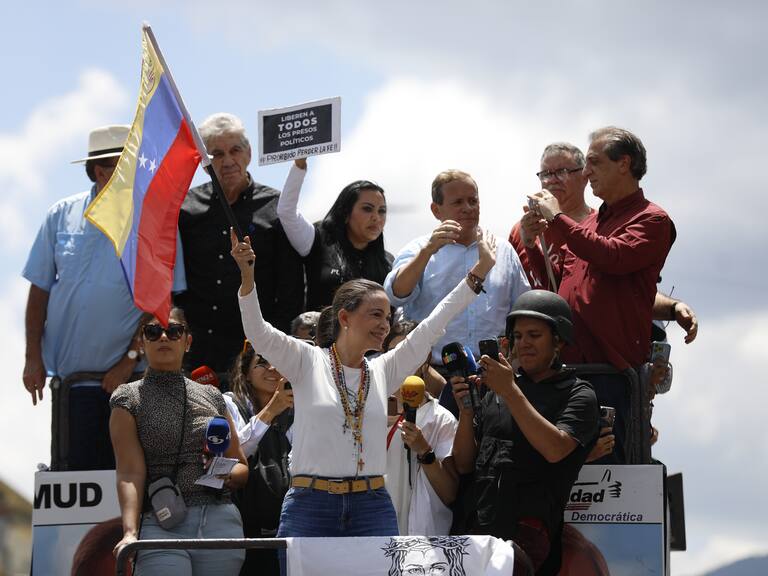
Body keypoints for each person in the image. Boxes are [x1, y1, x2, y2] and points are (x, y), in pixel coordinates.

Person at [231, 225, 496, 542]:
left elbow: (434, 324)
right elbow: (258, 332)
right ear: (345, 318)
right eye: (375, 315)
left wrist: (478, 273)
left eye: (387, 317)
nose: (385, 326)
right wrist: (248, 276)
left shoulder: (385, 369)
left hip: (371, 506)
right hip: (310, 506)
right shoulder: (305, 360)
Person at [22, 125, 186, 471]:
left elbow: (161, 301)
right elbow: (39, 291)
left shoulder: (154, 220)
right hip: (71, 383)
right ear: (100, 171)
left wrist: (128, 360)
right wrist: (32, 357)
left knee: (131, 477)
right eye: (127, 165)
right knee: (77, 483)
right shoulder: (59, 214)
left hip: (133, 382)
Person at [452, 290, 599, 575]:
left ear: (558, 340)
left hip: (529, 536)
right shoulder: (496, 389)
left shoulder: (578, 394)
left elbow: (555, 448)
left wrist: (509, 390)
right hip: (475, 531)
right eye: (518, 336)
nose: (524, 344)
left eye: (534, 335)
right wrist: (467, 411)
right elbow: (464, 464)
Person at [110, 308, 248, 576]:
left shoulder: (212, 396)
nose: (164, 337)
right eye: (153, 331)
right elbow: (129, 473)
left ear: (187, 342)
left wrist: (226, 472)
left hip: (220, 520)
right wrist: (129, 533)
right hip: (160, 522)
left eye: (174, 331)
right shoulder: (127, 398)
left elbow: (241, 466)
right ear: (141, 342)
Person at [521, 141, 698, 343]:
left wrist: (671, 307)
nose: (552, 180)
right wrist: (530, 243)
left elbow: (617, 266)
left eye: (562, 172)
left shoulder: (647, 219)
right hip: (565, 355)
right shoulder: (530, 229)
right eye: (546, 174)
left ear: (623, 164)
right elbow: (560, 286)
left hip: (608, 362)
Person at [177, 113, 303, 375]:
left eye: (235, 150)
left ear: (248, 153)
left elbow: (291, 288)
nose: (228, 161)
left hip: (255, 355)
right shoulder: (186, 208)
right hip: (198, 352)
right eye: (217, 154)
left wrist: (275, 348)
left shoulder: (276, 206)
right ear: (203, 161)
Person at [384, 169, 529, 365]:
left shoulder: (503, 249)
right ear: (436, 210)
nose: (468, 208)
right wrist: (427, 252)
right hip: (434, 374)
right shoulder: (418, 248)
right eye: (458, 202)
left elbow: (522, 309)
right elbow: (395, 295)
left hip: (494, 372)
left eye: (473, 200)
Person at [277, 158, 393, 311]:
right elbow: (286, 211)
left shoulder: (389, 262)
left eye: (382, 211)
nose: (376, 217)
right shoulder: (317, 240)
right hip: (319, 334)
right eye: (367, 209)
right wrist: (299, 166)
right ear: (345, 214)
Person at [224, 342, 294, 576]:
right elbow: (233, 454)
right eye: (262, 362)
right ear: (245, 372)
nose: (273, 368)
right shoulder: (229, 403)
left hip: (290, 526)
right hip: (243, 525)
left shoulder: (299, 406)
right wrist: (270, 412)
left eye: (279, 362)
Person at [384, 321, 457, 536]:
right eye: (392, 353)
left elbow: (449, 493)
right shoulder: (366, 412)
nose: (400, 361)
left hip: (422, 544)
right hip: (374, 535)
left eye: (409, 353)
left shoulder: (441, 419)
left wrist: (424, 450)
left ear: (425, 359)